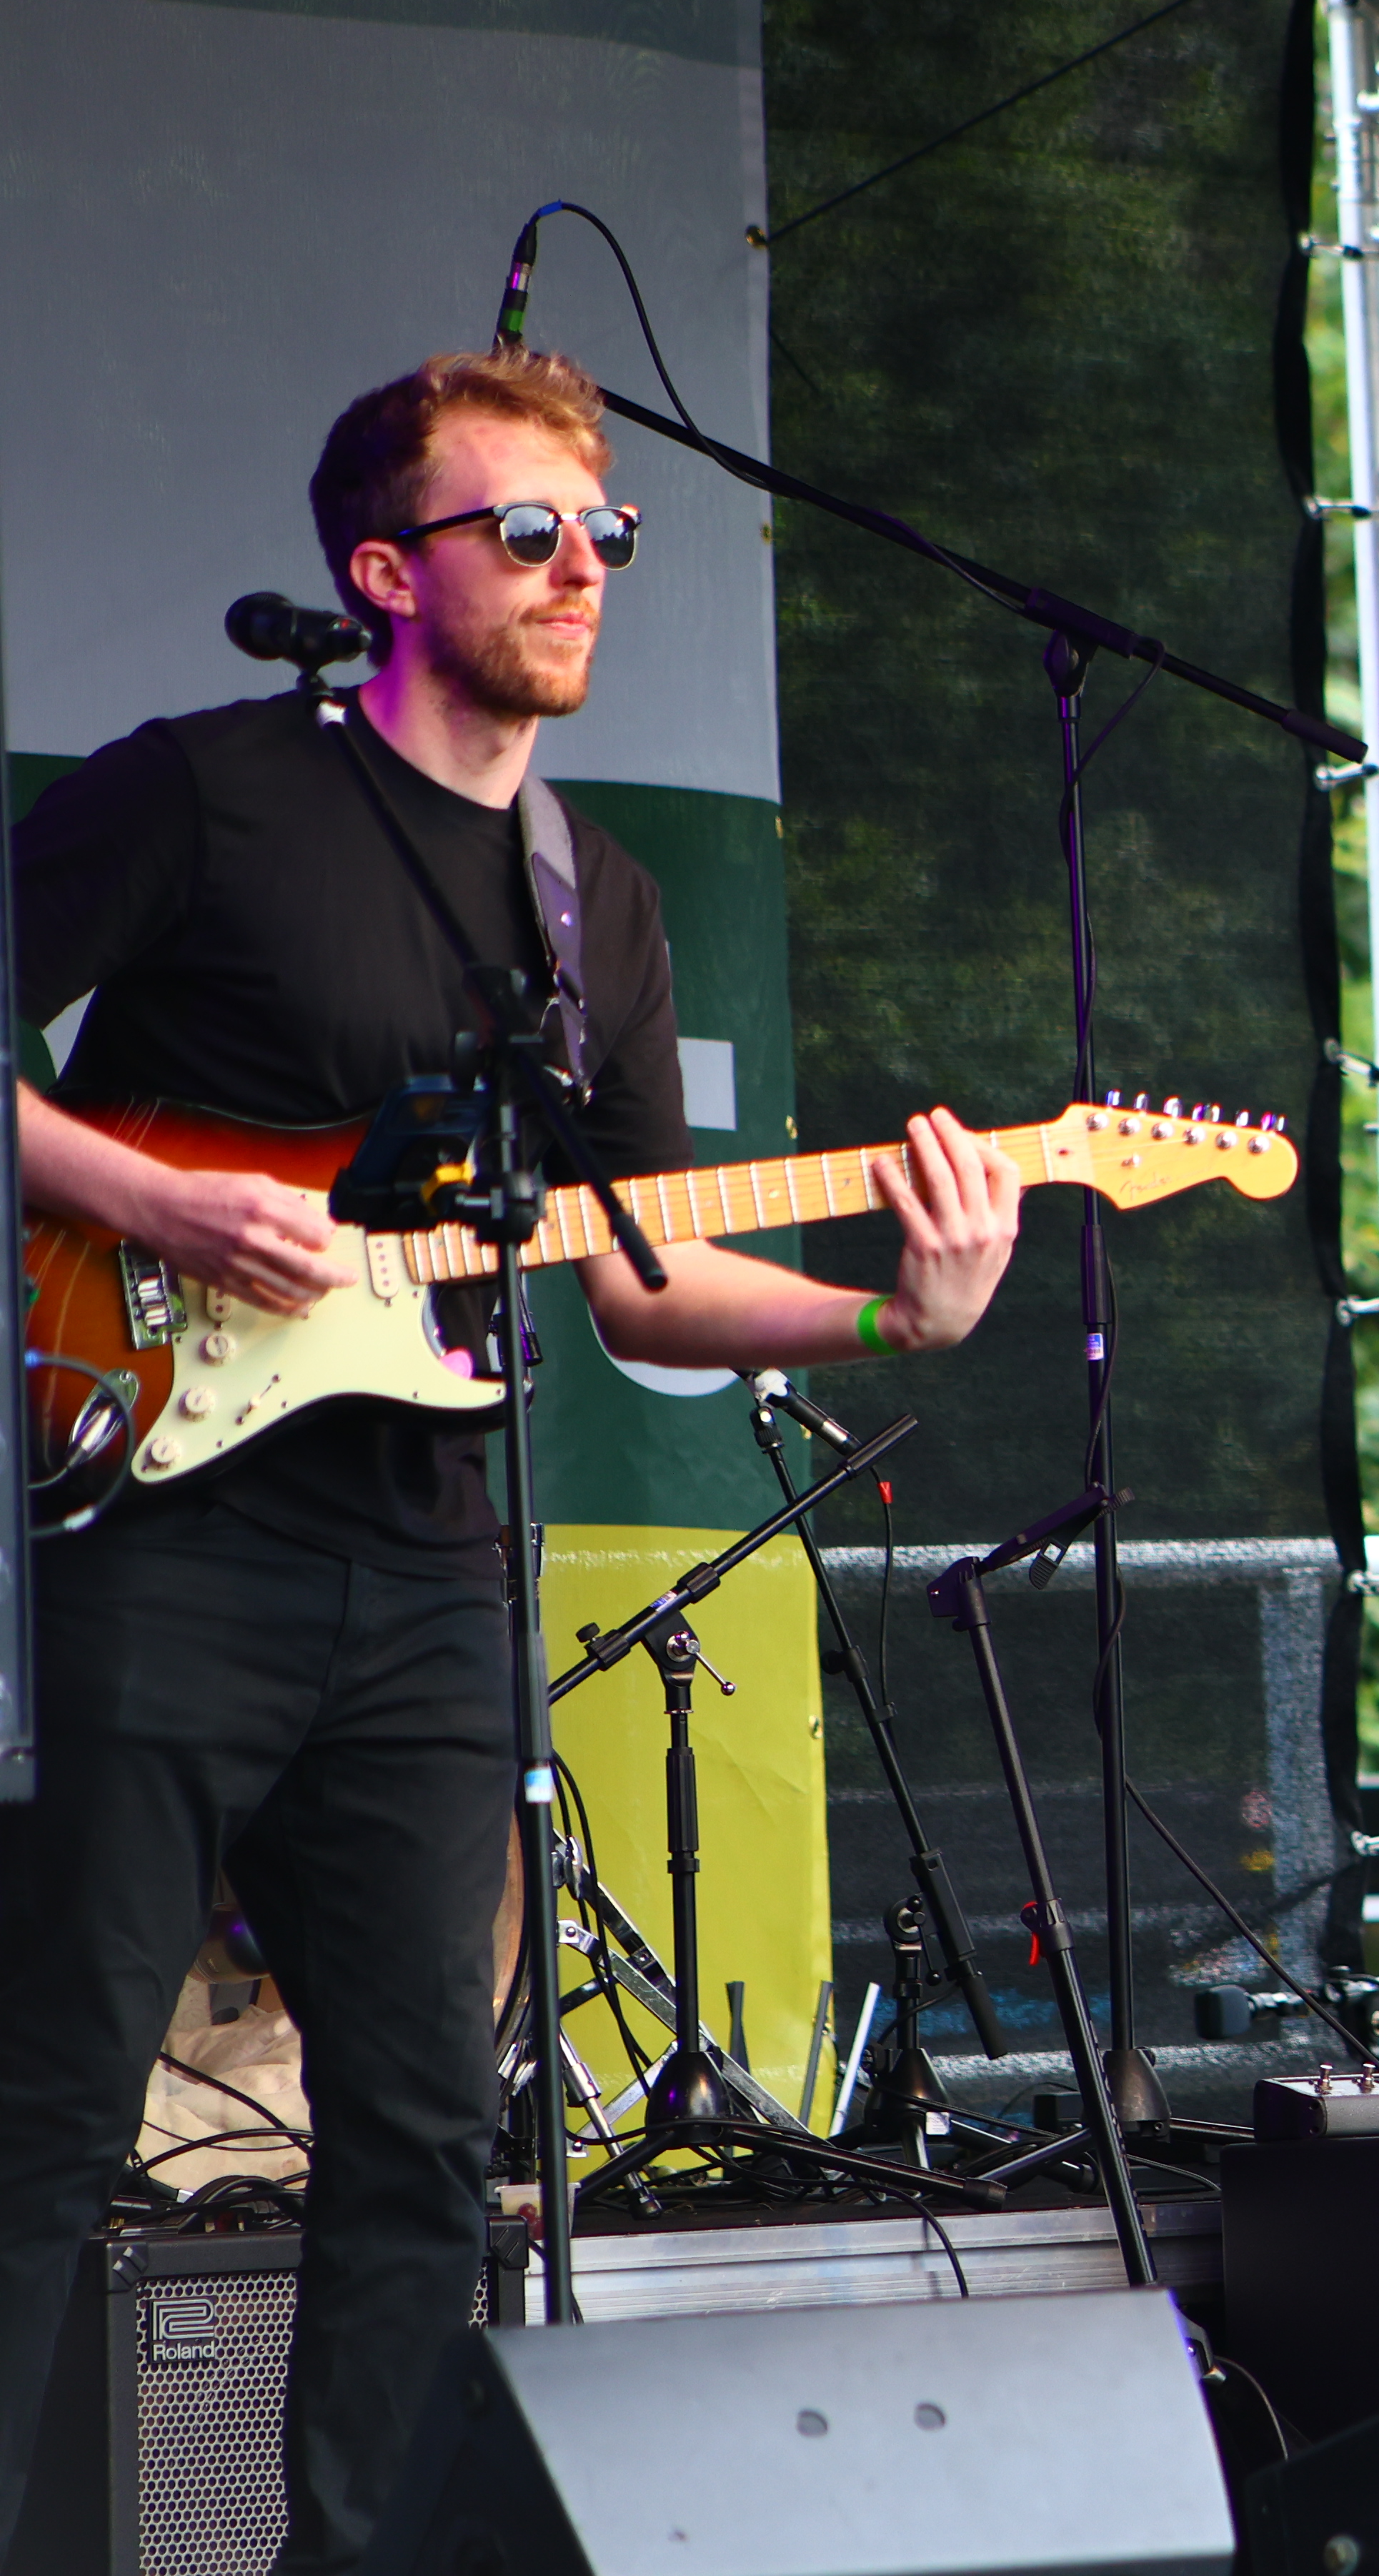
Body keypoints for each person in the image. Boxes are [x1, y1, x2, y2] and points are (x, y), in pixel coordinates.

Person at [0, 347, 1027, 2570]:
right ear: (385, 571)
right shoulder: (199, 797)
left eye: (608, 541)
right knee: (48, 2108)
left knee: (430, 2142)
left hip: (421, 1578)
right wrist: (159, 1199)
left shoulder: (597, 906)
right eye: (528, 534)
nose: (581, 575)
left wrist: (895, 1310)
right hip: (157, 1551)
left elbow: (644, 1284)